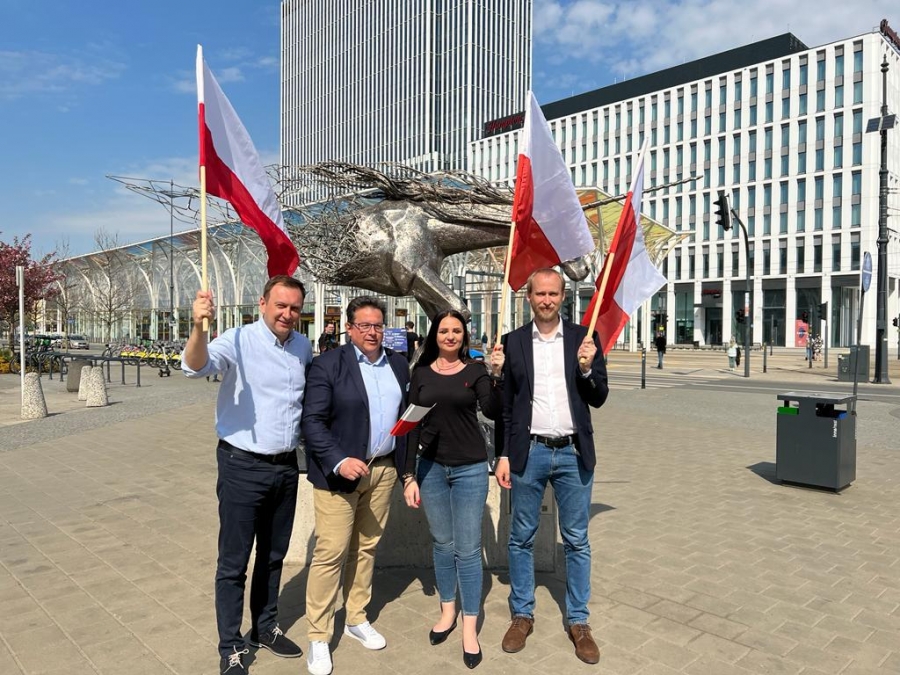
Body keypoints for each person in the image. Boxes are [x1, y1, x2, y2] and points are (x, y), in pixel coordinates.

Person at [182, 275, 312, 675]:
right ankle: (230, 646)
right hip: (242, 465)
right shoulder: (238, 340)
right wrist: (198, 326)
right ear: (262, 303)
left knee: (273, 556)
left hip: (286, 467)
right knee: (234, 562)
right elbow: (195, 366)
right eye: (280, 305)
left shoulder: (303, 347)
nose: (287, 314)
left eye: (294, 308)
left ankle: (264, 626)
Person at [495, 268, 609, 665]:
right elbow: (505, 408)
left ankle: (579, 621)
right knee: (521, 537)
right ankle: (522, 615)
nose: (546, 300)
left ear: (563, 296)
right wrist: (503, 454)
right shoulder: (512, 342)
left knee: (576, 539)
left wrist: (586, 369)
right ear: (528, 297)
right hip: (529, 452)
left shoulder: (584, 338)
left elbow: (599, 397)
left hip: (573, 454)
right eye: (540, 293)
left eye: (553, 294)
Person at [301, 296, 410, 675]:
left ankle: (356, 617)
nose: (372, 332)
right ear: (349, 328)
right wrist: (339, 459)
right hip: (339, 475)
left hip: (383, 472)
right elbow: (312, 422)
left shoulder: (398, 363)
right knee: (331, 553)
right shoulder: (329, 364)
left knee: (366, 548)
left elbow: (406, 414)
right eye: (364, 325)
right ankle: (318, 635)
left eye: (378, 325)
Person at [401, 310, 505, 670]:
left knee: (468, 549)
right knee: (443, 544)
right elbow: (411, 426)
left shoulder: (475, 371)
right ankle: (447, 611)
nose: (450, 336)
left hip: (470, 469)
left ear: (464, 335)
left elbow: (492, 410)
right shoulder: (421, 373)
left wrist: (496, 375)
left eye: (456, 331)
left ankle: (469, 627)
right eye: (444, 330)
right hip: (430, 469)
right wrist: (408, 476)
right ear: (435, 334)